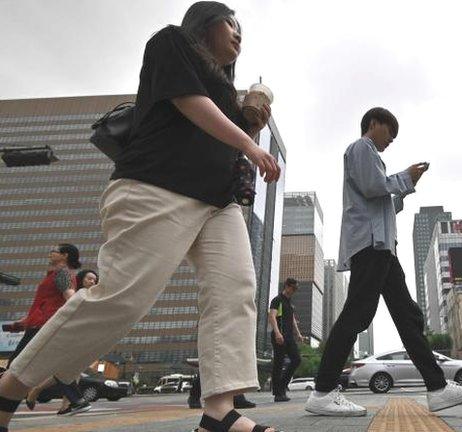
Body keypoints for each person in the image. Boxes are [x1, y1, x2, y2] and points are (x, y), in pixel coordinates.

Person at [0, 2, 281, 432]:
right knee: (123, 297)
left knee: (233, 290)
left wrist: (251, 120)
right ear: (204, 22)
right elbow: (190, 103)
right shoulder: (170, 41)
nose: (239, 34)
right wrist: (250, 143)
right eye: (231, 23)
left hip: (218, 201)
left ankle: (219, 412)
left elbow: (218, 137)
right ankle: (10, 386)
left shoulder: (227, 89)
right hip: (157, 185)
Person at [305, 108, 462, 416]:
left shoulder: (370, 154)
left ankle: (437, 388)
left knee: (408, 317)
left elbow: (383, 203)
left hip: (383, 247)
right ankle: (322, 390)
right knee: (357, 315)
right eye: (390, 132)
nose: (392, 140)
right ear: (374, 124)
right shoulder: (362, 147)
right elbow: (375, 188)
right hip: (372, 246)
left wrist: (407, 185)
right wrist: (404, 178)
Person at [25, 270, 99, 416]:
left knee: (73, 370)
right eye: (89, 278)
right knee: (69, 369)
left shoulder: (93, 296)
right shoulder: (74, 294)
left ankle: (65, 403)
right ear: (81, 279)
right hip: (69, 334)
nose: (93, 282)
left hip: (84, 336)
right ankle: (47, 394)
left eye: (95, 280)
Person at [268, 278, 308, 402]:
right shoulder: (277, 300)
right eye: (293, 288)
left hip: (289, 336)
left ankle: (282, 386)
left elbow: (292, 320)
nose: (294, 291)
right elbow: (272, 316)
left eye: (296, 289)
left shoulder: (289, 302)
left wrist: (299, 335)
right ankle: (278, 393)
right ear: (287, 286)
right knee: (278, 363)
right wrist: (277, 333)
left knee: (296, 359)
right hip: (279, 335)